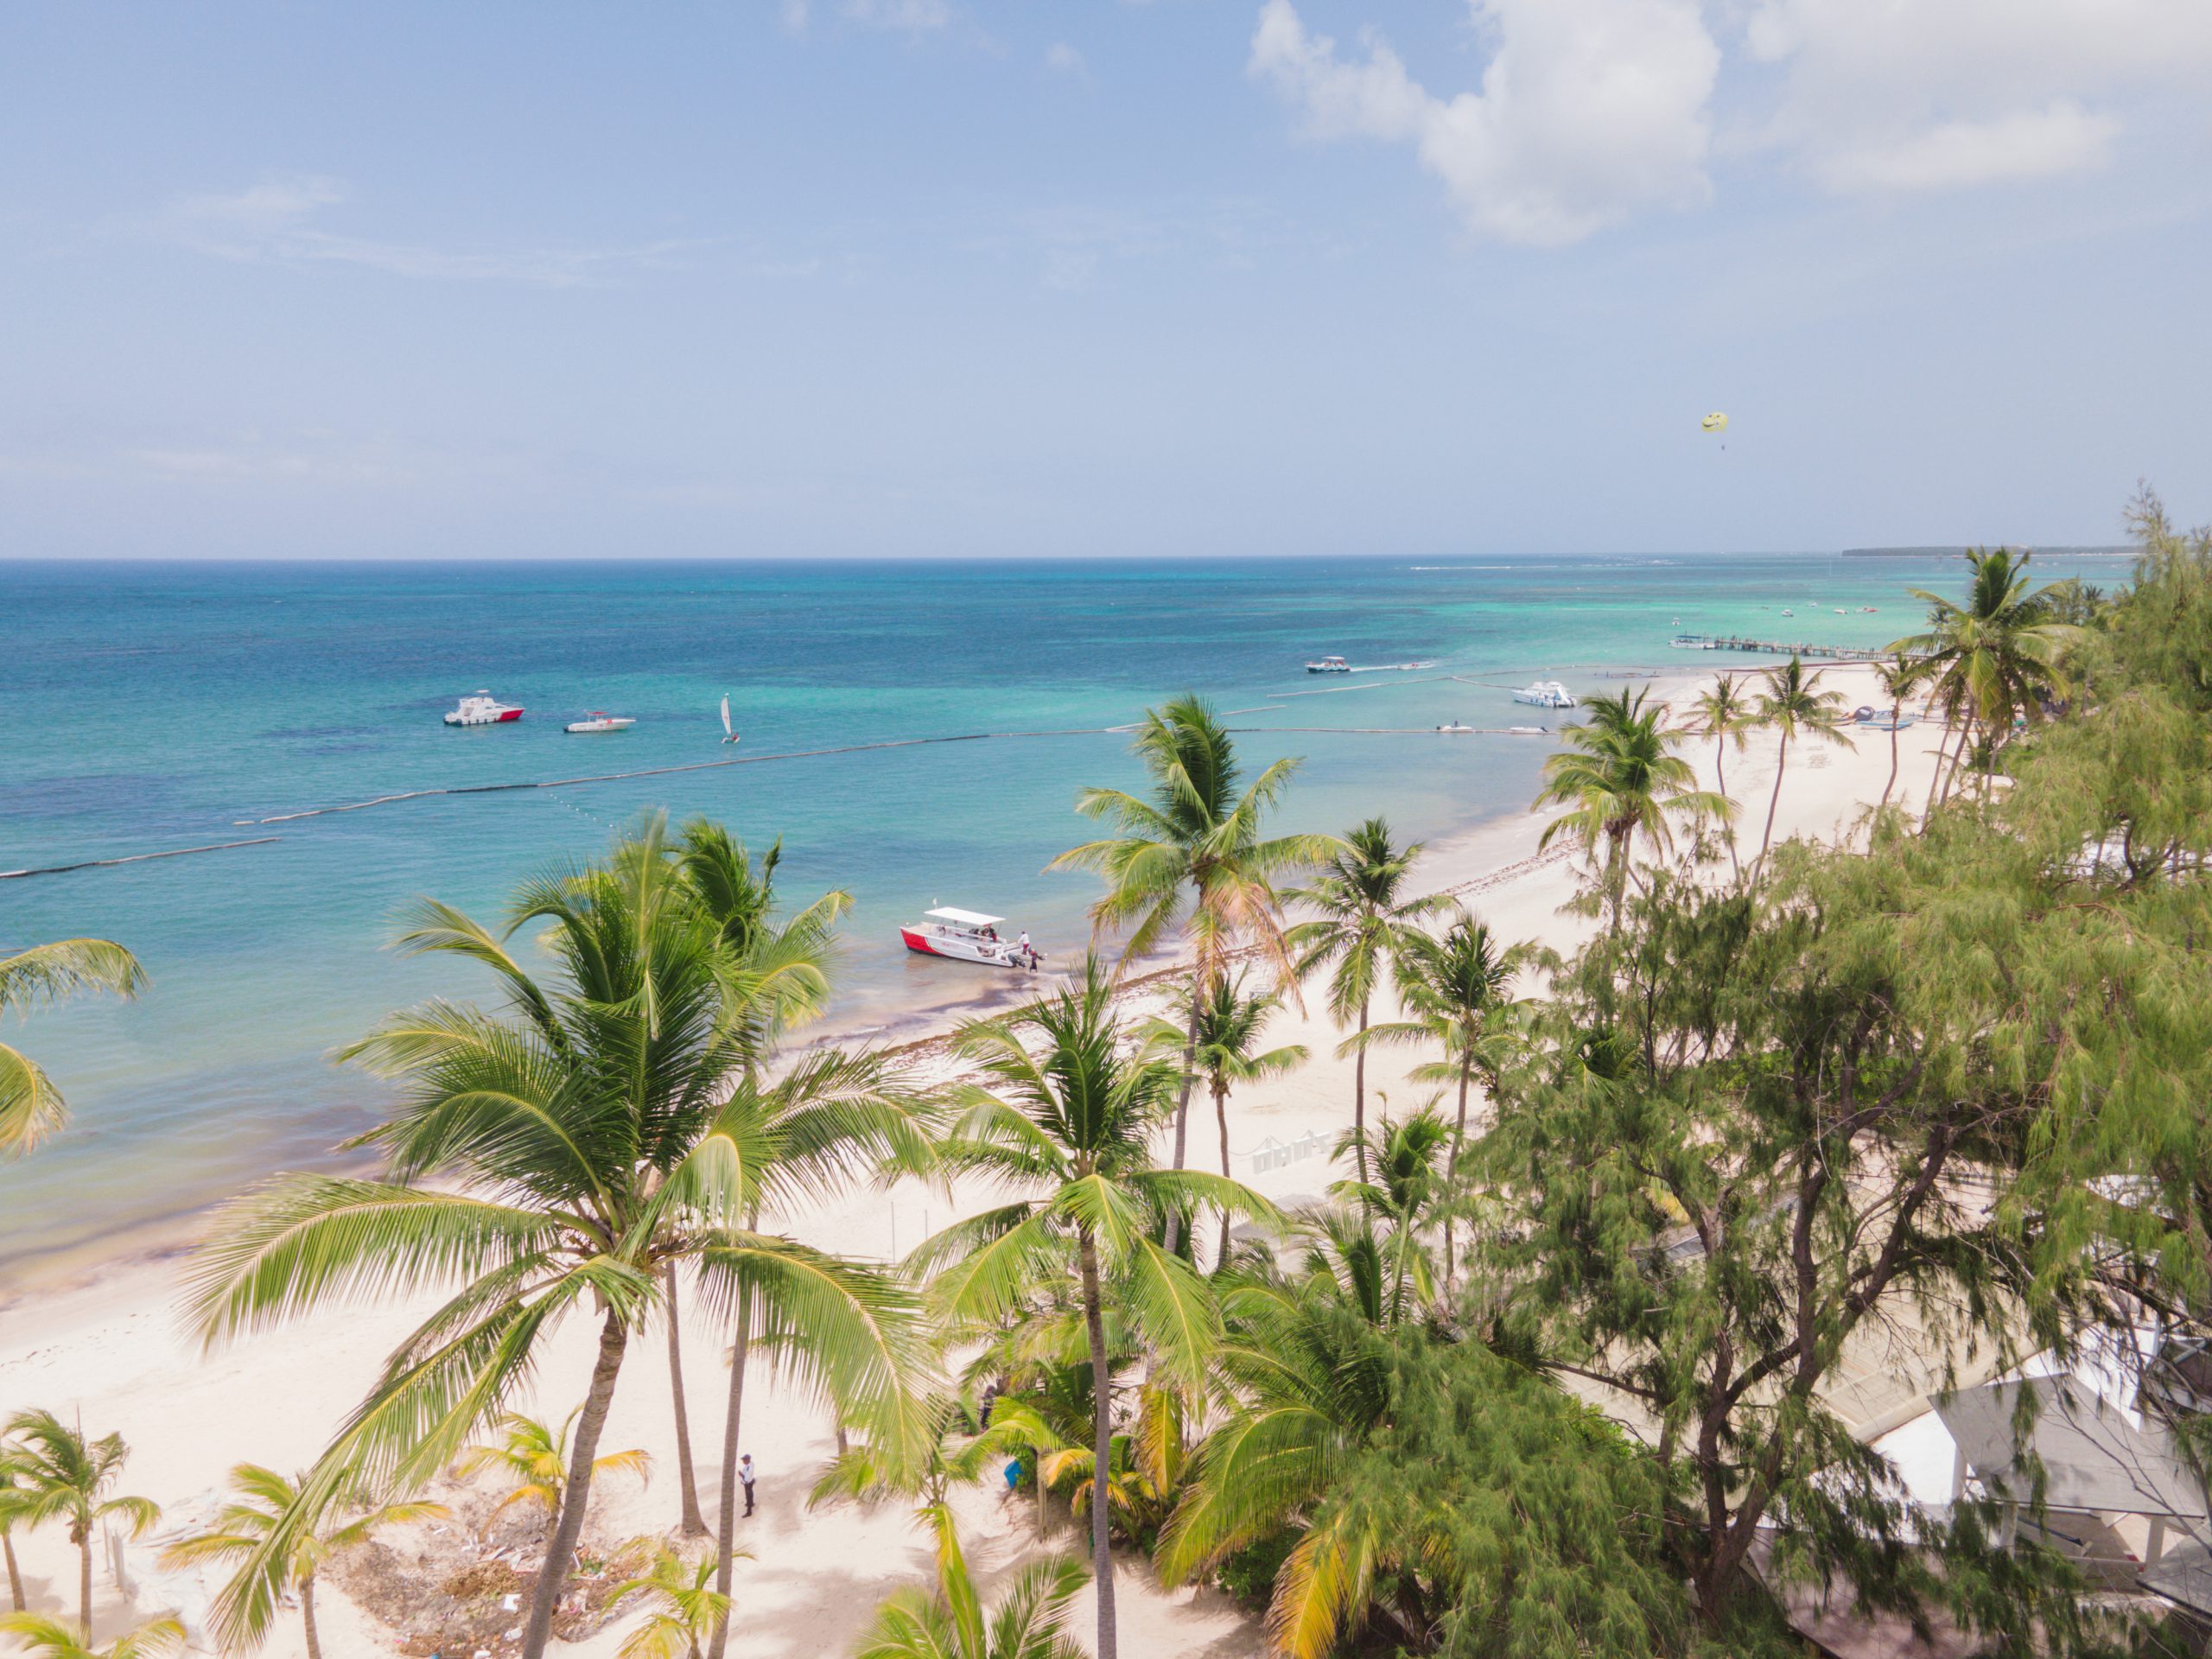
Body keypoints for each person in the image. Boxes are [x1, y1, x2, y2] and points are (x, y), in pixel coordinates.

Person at [740, 1452, 757, 1517]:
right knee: (750, 1493)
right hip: (751, 1481)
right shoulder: (751, 1464)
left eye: (744, 1460)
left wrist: (742, 1480)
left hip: (748, 1483)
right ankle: (751, 1503)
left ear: (747, 1460)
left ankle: (749, 1512)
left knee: (748, 1496)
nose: (743, 1461)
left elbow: (746, 1479)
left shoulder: (748, 1468)